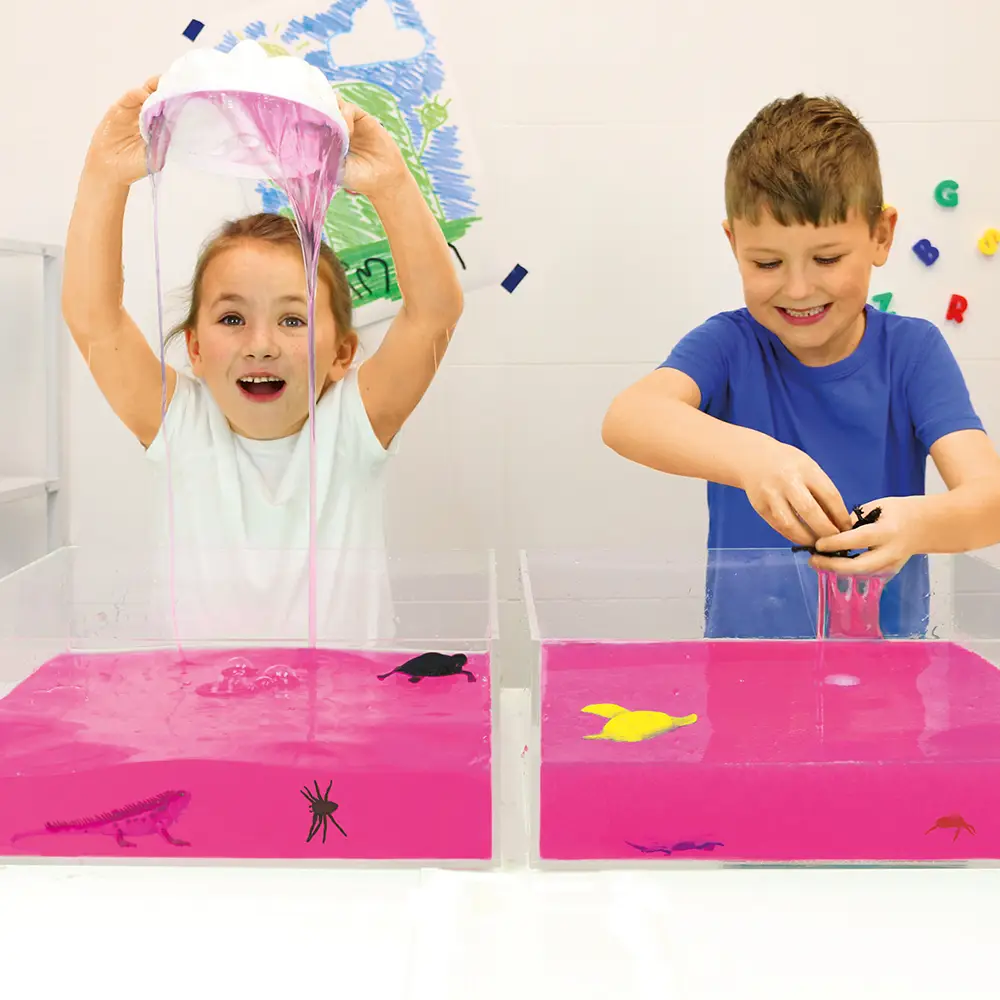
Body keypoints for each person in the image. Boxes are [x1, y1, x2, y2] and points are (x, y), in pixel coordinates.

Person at [62, 76, 463, 643]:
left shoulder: (352, 428)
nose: (262, 344)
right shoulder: (181, 426)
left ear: (343, 354)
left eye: (293, 319)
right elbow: (93, 318)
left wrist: (392, 183)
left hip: (343, 718)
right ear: (195, 349)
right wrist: (106, 175)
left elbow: (434, 315)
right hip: (203, 716)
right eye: (232, 319)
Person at [602, 94, 1000, 638]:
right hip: (747, 677)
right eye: (767, 263)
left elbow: (990, 501)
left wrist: (921, 524)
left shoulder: (914, 353)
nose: (798, 289)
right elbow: (629, 418)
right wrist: (752, 458)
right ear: (733, 242)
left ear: (880, 235)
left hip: (882, 683)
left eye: (827, 259)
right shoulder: (729, 344)